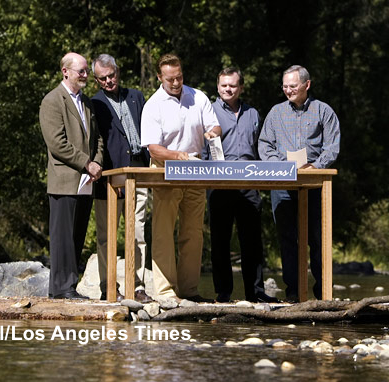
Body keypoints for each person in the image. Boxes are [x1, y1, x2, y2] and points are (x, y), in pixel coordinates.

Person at [141, 53, 221, 302]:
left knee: (193, 232)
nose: (175, 83)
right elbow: (153, 148)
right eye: (170, 79)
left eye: (179, 77)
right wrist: (178, 155)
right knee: (164, 232)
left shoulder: (198, 96)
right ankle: (165, 292)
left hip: (195, 168)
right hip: (165, 167)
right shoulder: (153, 104)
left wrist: (212, 132)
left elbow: (215, 125)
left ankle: (190, 291)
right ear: (159, 77)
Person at [259, 65, 340, 302]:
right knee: (287, 238)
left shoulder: (323, 111)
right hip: (282, 184)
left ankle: (323, 292)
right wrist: (279, 166)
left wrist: (316, 166)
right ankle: (294, 292)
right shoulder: (275, 112)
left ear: (307, 85)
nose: (288, 90)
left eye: (292, 86)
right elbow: (265, 144)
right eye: (285, 86)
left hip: (315, 184)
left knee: (317, 237)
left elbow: (332, 146)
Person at [206, 67, 278, 303]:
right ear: (218, 86)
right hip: (219, 183)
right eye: (224, 85)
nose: (228, 89)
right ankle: (223, 293)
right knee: (220, 241)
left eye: (233, 85)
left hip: (249, 184)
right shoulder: (210, 111)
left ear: (241, 87)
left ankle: (255, 292)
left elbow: (261, 147)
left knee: (252, 242)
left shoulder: (253, 113)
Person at [39, 52, 104, 300]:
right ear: (65, 71)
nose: (86, 75)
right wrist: (87, 163)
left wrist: (97, 162)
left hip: (86, 180)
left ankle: (70, 287)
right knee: (62, 238)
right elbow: (57, 143)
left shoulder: (86, 103)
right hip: (64, 180)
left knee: (77, 236)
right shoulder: (52, 101)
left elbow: (97, 137)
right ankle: (60, 288)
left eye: (87, 71)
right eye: (82, 71)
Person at [91, 54, 153, 303]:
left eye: (111, 75)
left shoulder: (136, 96)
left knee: (137, 232)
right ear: (97, 80)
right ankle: (108, 286)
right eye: (103, 78)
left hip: (138, 172)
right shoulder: (94, 103)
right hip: (109, 175)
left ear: (118, 72)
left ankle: (137, 286)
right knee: (107, 235)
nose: (108, 81)